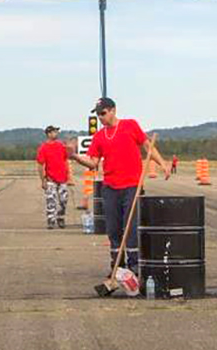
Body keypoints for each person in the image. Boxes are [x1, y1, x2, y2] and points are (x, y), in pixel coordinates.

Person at [68, 97, 171, 276]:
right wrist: (76, 157)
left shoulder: (130, 126)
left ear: (113, 110)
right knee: (113, 229)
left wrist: (163, 163)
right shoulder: (99, 137)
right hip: (110, 187)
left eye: (103, 113)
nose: (100, 117)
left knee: (130, 228)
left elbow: (148, 146)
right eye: (98, 114)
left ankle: (134, 266)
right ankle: (117, 265)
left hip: (132, 185)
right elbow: (93, 163)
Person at [36, 125, 69, 229]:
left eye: (57, 131)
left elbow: (66, 160)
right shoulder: (43, 148)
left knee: (63, 200)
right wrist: (43, 180)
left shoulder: (61, 146)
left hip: (62, 179)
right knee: (51, 201)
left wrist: (69, 175)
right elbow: (40, 165)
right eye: (54, 132)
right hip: (50, 179)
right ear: (49, 134)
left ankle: (60, 217)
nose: (56, 133)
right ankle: (51, 220)